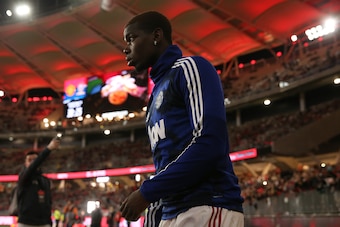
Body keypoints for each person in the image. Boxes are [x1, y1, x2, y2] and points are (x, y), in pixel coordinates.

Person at [120, 11, 244, 227]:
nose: (126, 48)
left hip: (207, 205)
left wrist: (147, 192)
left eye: (131, 39)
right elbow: (165, 165)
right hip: (172, 211)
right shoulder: (154, 98)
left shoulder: (191, 68)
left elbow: (210, 142)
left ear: (156, 36)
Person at [17, 137, 61, 227]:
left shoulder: (45, 180)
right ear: (25, 164)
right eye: (30, 160)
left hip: (43, 223)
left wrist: (49, 222)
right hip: (26, 223)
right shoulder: (24, 177)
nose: (33, 162)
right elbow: (32, 167)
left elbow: (48, 203)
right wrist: (48, 149)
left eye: (35, 160)